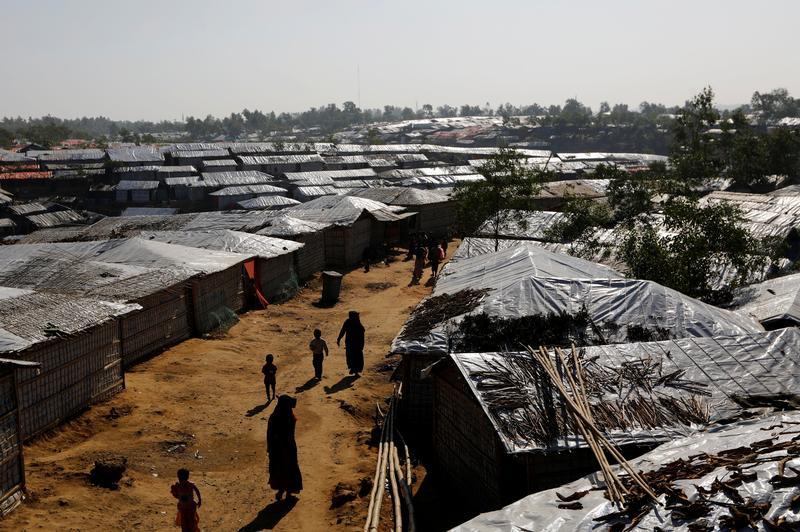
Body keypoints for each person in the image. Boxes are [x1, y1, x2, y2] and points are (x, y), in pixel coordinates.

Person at [267, 395, 302, 501]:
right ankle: (288, 493)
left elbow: (269, 434)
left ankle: (281, 491)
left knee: (279, 469)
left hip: (276, 449)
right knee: (290, 468)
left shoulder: (274, 417)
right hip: (289, 448)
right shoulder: (290, 417)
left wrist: (270, 448)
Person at [337, 311, 365, 376]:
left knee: (352, 357)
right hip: (354, 344)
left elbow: (343, 331)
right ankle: (354, 370)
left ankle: (354, 370)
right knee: (355, 357)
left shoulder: (349, 322)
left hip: (352, 344)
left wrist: (339, 339)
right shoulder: (354, 322)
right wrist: (339, 338)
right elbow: (343, 330)